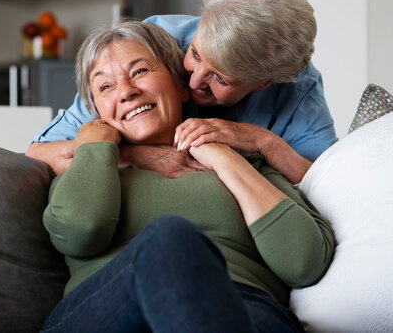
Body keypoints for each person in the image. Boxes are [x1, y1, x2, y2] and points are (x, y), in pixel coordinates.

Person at [41, 20, 334, 332]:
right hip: (108, 307)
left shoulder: (251, 165)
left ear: (182, 87)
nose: (126, 92)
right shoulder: (86, 165)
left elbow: (305, 262)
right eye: (105, 87)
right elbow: (80, 232)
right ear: (98, 111)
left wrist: (222, 156)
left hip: (242, 306)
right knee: (170, 241)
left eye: (140, 71)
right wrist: (96, 145)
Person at [27, 0, 337, 184]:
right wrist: (138, 156)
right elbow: (39, 152)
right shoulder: (151, 44)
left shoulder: (298, 89)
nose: (193, 80)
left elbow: (328, 187)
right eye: (194, 55)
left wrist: (263, 142)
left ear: (262, 83)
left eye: (220, 78)